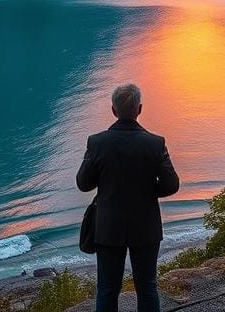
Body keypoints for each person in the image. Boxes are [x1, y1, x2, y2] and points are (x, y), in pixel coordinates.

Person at [76, 84, 179, 312]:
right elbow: (172, 185)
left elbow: (84, 184)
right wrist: (147, 192)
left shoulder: (96, 142)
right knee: (147, 287)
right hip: (146, 226)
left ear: (113, 110)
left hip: (108, 227)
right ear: (139, 109)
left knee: (107, 288)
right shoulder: (156, 143)